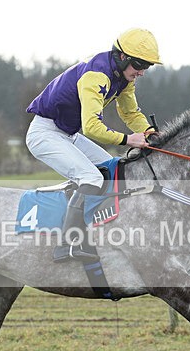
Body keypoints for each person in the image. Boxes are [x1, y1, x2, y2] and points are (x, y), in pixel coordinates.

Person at [25, 28, 161, 263]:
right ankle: (68, 244)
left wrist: (150, 133)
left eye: (146, 67)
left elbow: (130, 113)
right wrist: (128, 140)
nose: (142, 72)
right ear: (122, 57)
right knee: (92, 179)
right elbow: (91, 127)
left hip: (67, 134)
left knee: (111, 169)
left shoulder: (123, 77)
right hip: (44, 133)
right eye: (139, 65)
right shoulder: (97, 75)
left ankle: (103, 231)